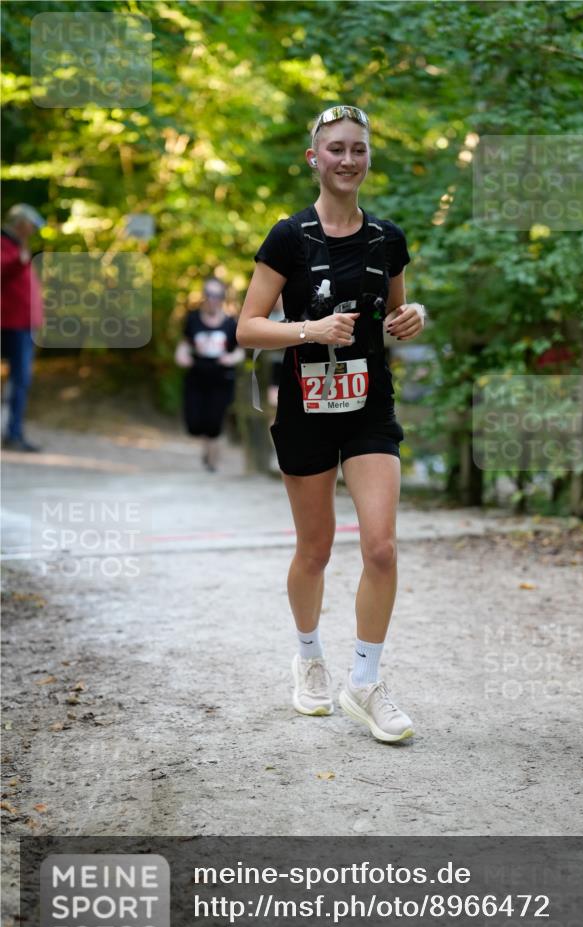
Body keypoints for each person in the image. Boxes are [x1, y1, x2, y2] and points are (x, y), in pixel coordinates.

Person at [237, 105, 426, 743]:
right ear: (314, 159)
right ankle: (309, 658)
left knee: (380, 546)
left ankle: (365, 683)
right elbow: (247, 327)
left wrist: (412, 316)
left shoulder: (386, 238)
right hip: (307, 409)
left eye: (359, 149)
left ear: (369, 158)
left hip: (370, 405)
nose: (349, 160)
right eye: (336, 149)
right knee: (315, 550)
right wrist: (309, 330)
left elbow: (395, 312)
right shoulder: (289, 236)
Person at [174, 277, 244, 471]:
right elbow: (186, 343)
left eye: (217, 295)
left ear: (223, 297)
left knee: (214, 421)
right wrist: (181, 355)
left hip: (221, 378)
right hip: (197, 377)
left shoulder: (231, 323)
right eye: (209, 295)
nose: (213, 299)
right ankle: (208, 450)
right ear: (204, 297)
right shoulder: (193, 319)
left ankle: (212, 460)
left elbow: (240, 351)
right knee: (195, 424)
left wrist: (231, 358)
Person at [1, 203, 46, 452]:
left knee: (20, 381)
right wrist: (19, 262)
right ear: (20, 223)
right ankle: (13, 433)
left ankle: (14, 433)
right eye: (30, 225)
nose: (33, 230)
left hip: (24, 324)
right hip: (9, 323)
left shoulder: (19, 247)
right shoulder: (6, 245)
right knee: (19, 380)